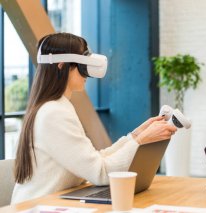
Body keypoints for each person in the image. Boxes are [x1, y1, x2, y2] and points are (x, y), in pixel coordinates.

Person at [11, 33, 177, 204]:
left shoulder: (56, 107)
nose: (88, 71)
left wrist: (134, 136)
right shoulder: (53, 113)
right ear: (61, 65)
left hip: (55, 203)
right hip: (36, 207)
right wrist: (141, 141)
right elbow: (100, 173)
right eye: (82, 64)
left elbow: (95, 160)